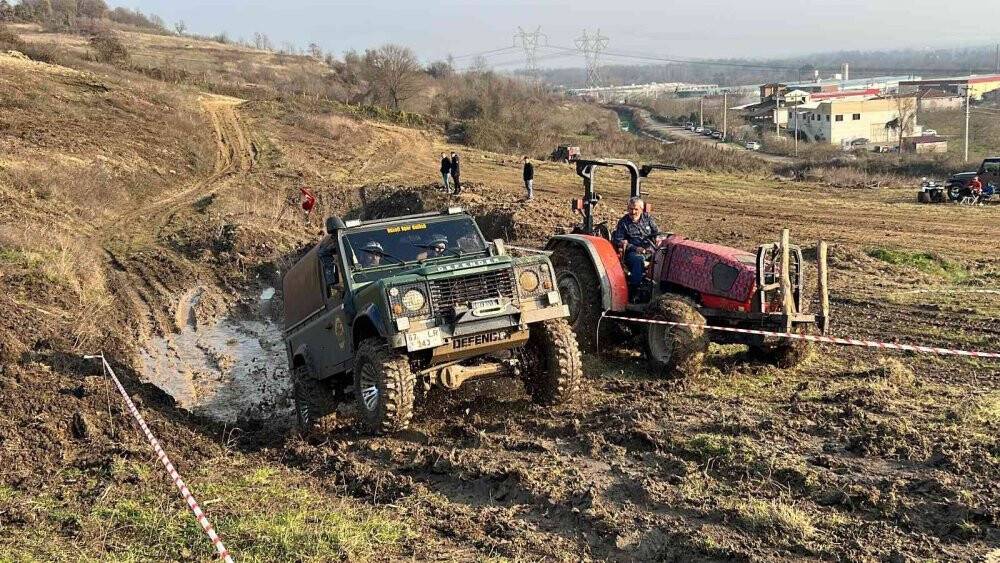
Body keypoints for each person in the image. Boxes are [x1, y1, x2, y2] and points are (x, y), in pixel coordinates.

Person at [611, 197, 660, 296]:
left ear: (641, 209)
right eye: (630, 209)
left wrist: (658, 239)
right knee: (638, 260)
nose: (633, 212)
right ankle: (635, 290)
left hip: (650, 249)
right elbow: (618, 240)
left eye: (636, 209)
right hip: (632, 252)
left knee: (665, 257)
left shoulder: (648, 219)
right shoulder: (623, 222)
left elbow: (656, 233)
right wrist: (635, 248)